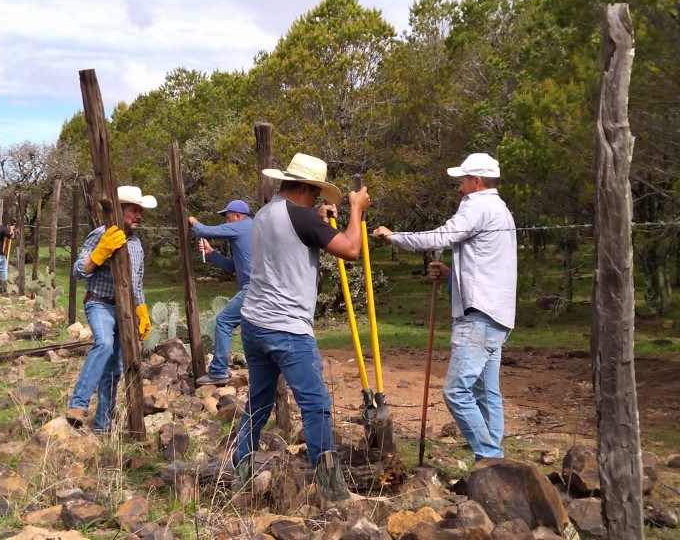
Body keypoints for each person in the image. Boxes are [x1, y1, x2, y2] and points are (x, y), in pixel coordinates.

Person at [232, 153, 370, 501]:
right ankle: (332, 490)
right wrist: (356, 209)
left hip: (254, 323)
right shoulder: (301, 217)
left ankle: (238, 472)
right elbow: (351, 249)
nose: (316, 201)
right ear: (307, 188)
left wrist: (318, 219)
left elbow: (298, 236)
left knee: (259, 401)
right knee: (315, 402)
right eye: (315, 195)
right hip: (287, 328)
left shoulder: (265, 213)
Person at [372, 152, 517, 461]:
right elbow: (487, 260)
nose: (459, 186)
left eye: (462, 180)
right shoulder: (500, 209)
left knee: (456, 391)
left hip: (479, 316)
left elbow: (442, 236)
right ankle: (496, 462)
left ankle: (490, 458)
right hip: (497, 314)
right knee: (485, 392)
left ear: (477, 181)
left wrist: (393, 237)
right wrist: (453, 274)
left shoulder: (477, 206)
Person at [65, 186, 156, 433]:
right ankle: (77, 405)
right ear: (119, 210)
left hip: (124, 310)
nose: (139, 215)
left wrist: (141, 310)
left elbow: (136, 282)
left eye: (140, 211)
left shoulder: (136, 244)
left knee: (114, 367)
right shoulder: (100, 235)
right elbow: (77, 271)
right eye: (133, 210)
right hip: (99, 303)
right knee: (103, 344)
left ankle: (103, 425)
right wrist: (99, 253)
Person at [188, 199, 253, 386]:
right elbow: (234, 266)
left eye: (227, 217)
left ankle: (218, 371)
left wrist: (192, 221)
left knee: (224, 321)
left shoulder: (241, 226)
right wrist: (211, 253)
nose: (226, 222)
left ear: (238, 216)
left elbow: (203, 231)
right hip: (266, 288)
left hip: (254, 288)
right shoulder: (253, 228)